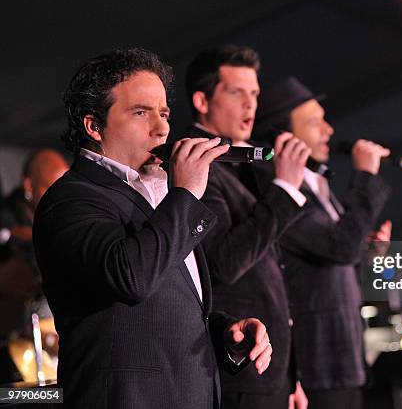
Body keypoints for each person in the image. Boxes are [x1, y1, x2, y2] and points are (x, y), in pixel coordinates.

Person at [32, 48, 272, 408]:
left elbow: (165, 305)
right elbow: (130, 276)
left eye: (164, 113)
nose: (161, 128)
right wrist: (186, 193)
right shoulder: (71, 199)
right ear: (94, 125)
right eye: (141, 112)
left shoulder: (159, 194)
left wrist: (223, 332)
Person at [253, 76, 392, 409]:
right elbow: (338, 246)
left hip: (345, 352)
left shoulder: (317, 184)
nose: (328, 130)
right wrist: (366, 178)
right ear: (284, 135)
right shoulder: (280, 187)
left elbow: (345, 252)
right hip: (317, 358)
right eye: (314, 123)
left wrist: (369, 250)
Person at [183, 46, 311, 409]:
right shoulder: (196, 164)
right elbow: (224, 262)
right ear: (202, 101)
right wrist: (285, 189)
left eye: (254, 93)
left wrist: (290, 378)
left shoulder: (243, 162)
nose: (250, 104)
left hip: (269, 372)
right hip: (236, 368)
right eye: (237, 92)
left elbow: (272, 273)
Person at [0, 149, 68, 382]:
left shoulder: (59, 218)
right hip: (13, 351)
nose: (59, 199)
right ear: (29, 186)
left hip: (45, 348)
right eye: (50, 189)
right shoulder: (7, 219)